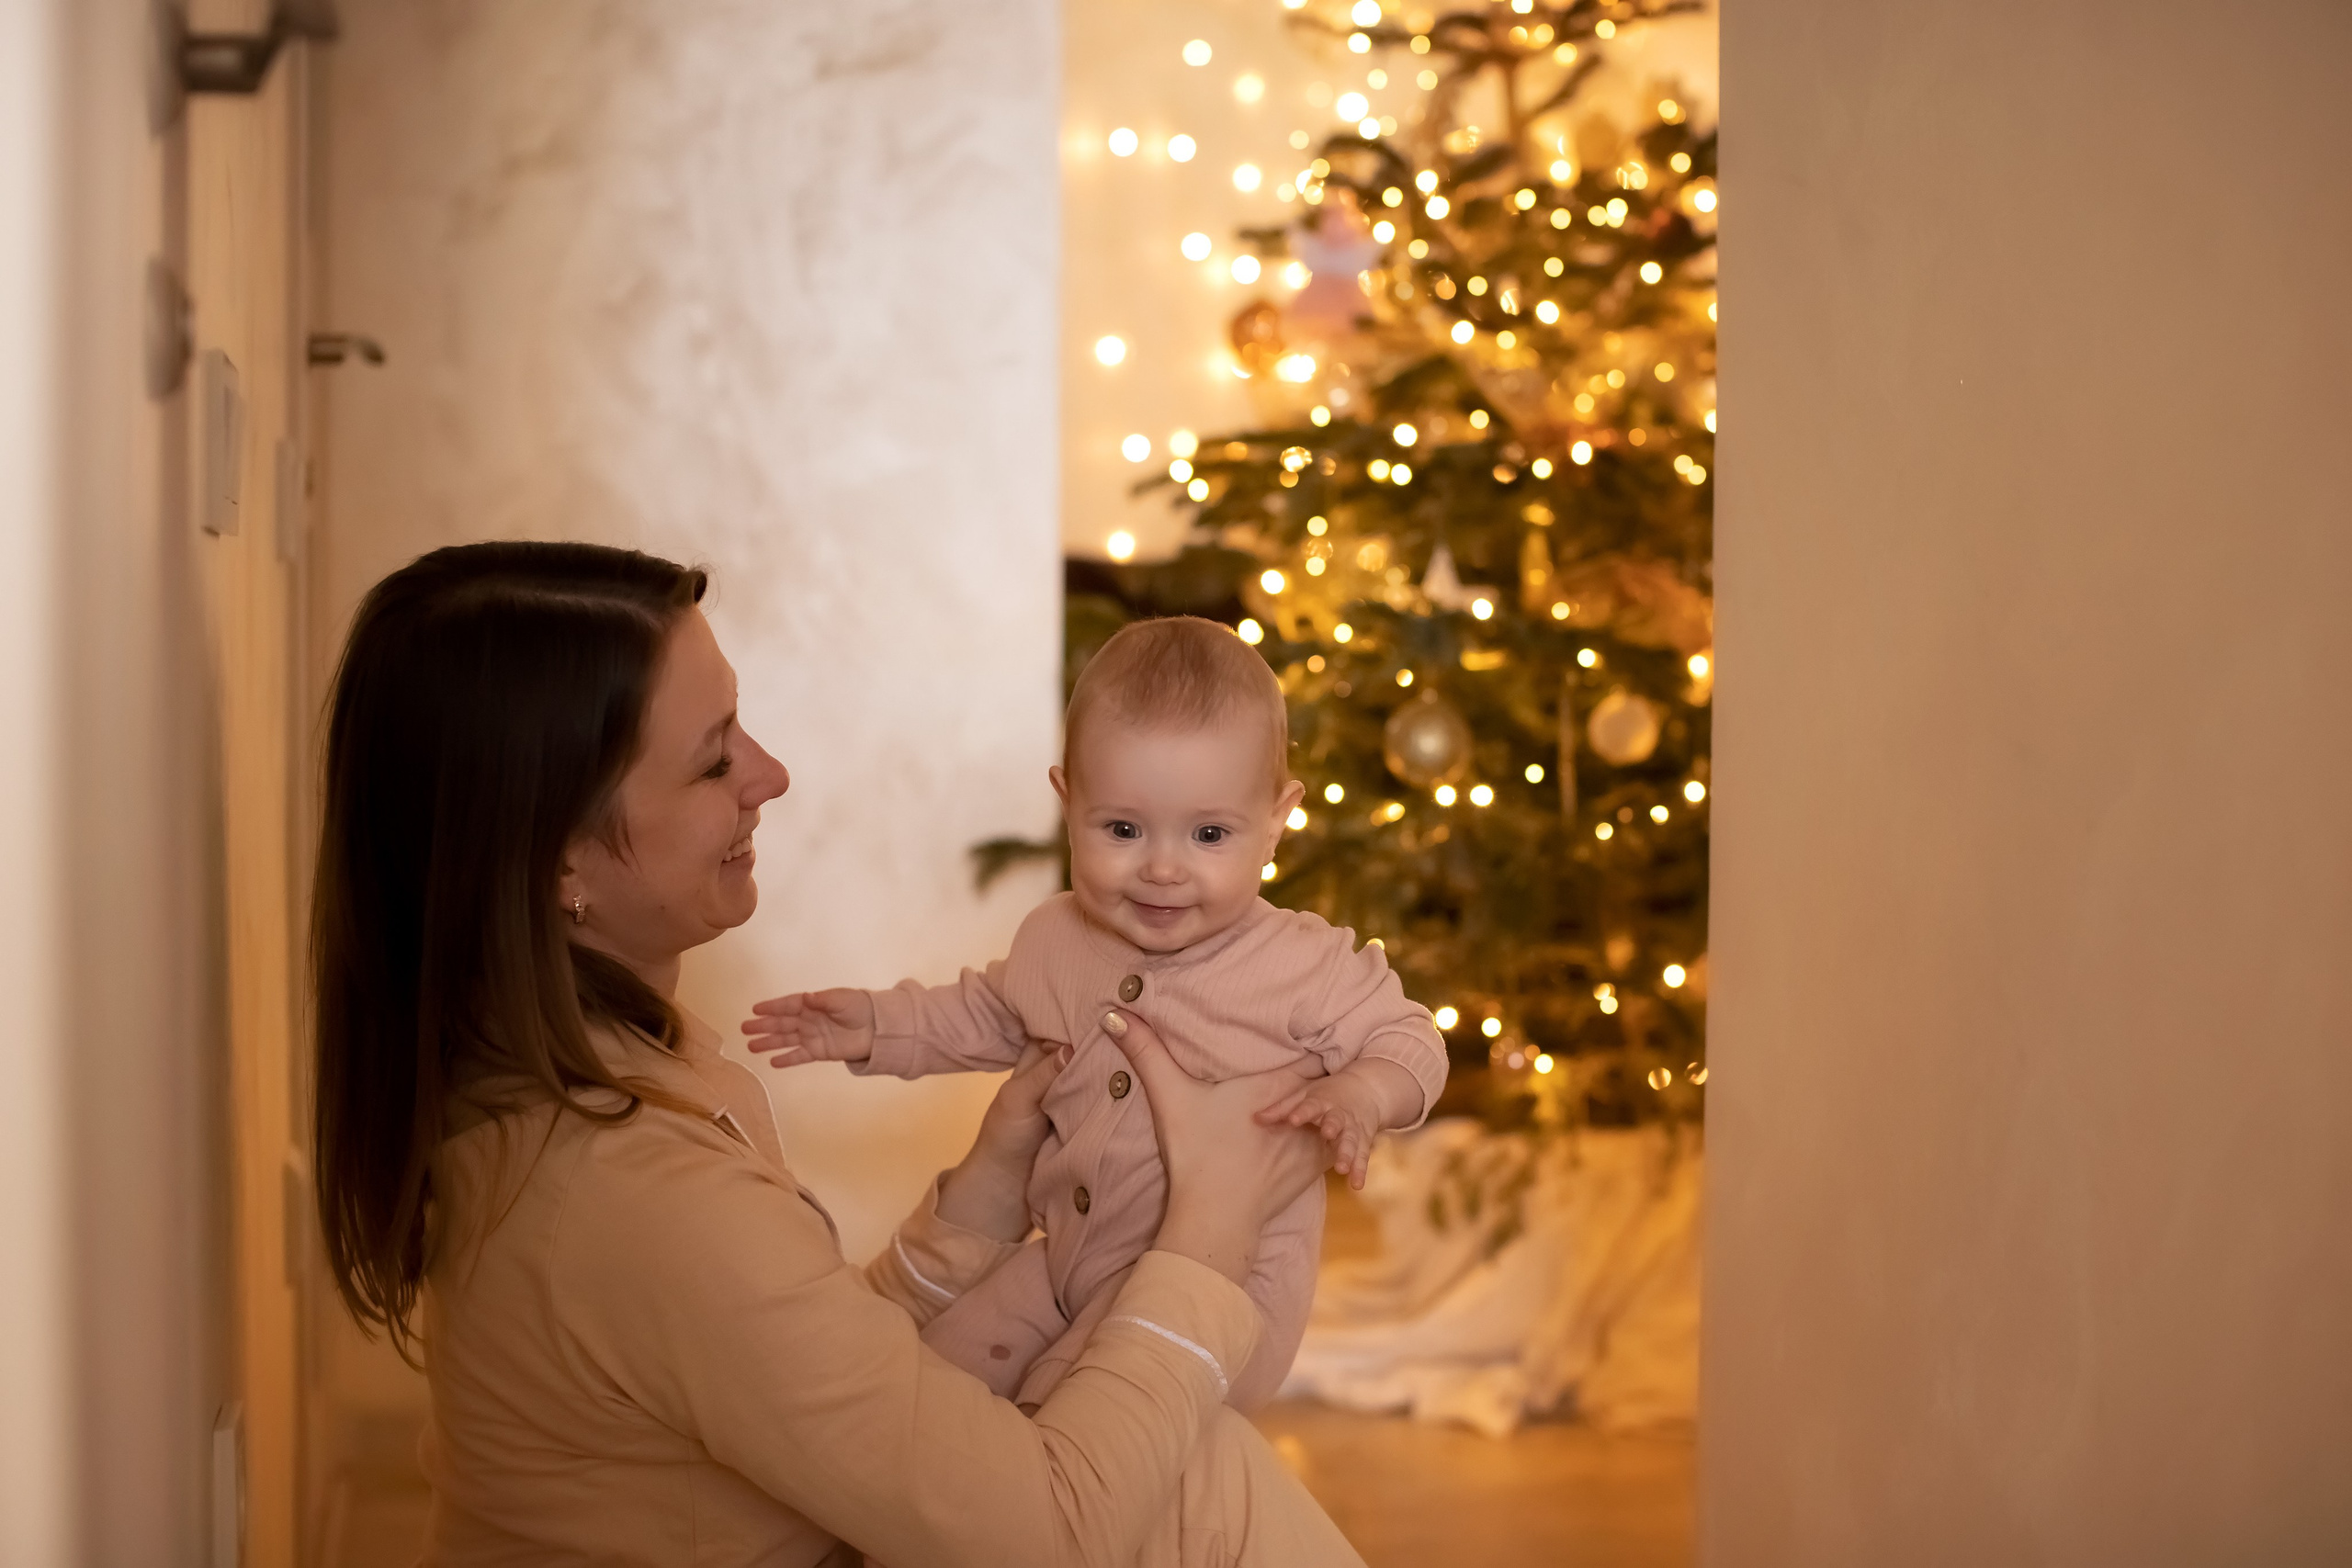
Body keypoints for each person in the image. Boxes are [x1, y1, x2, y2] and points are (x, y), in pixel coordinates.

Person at [311, 542, 1363, 1567]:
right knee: (1189, 1480)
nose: (769, 774)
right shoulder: (630, 1189)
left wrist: (985, 1194)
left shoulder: (607, 1080)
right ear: (559, 859)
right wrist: (1208, 1232)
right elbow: (1050, 1534)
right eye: (715, 756)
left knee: (1186, 1472)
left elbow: (797, 1379)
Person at [743, 616, 1447, 1413]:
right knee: (930, 1385)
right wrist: (877, 1026)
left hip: (1215, 1287)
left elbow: (1411, 1038)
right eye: (1121, 829)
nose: (1162, 867)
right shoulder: (1057, 936)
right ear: (1067, 802)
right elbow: (990, 1013)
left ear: (1278, 818)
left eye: (1210, 833)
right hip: (1063, 1257)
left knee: (1062, 1417)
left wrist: (1361, 1095)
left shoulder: (1301, 964)